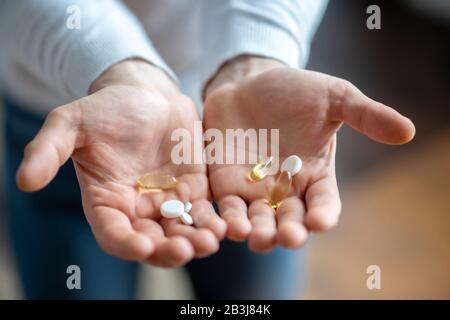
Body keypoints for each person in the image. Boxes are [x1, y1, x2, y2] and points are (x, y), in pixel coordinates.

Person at [0, 0, 415, 299]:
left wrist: (255, 56)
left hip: (248, 130)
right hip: (79, 120)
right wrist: (114, 69)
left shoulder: (264, 174)